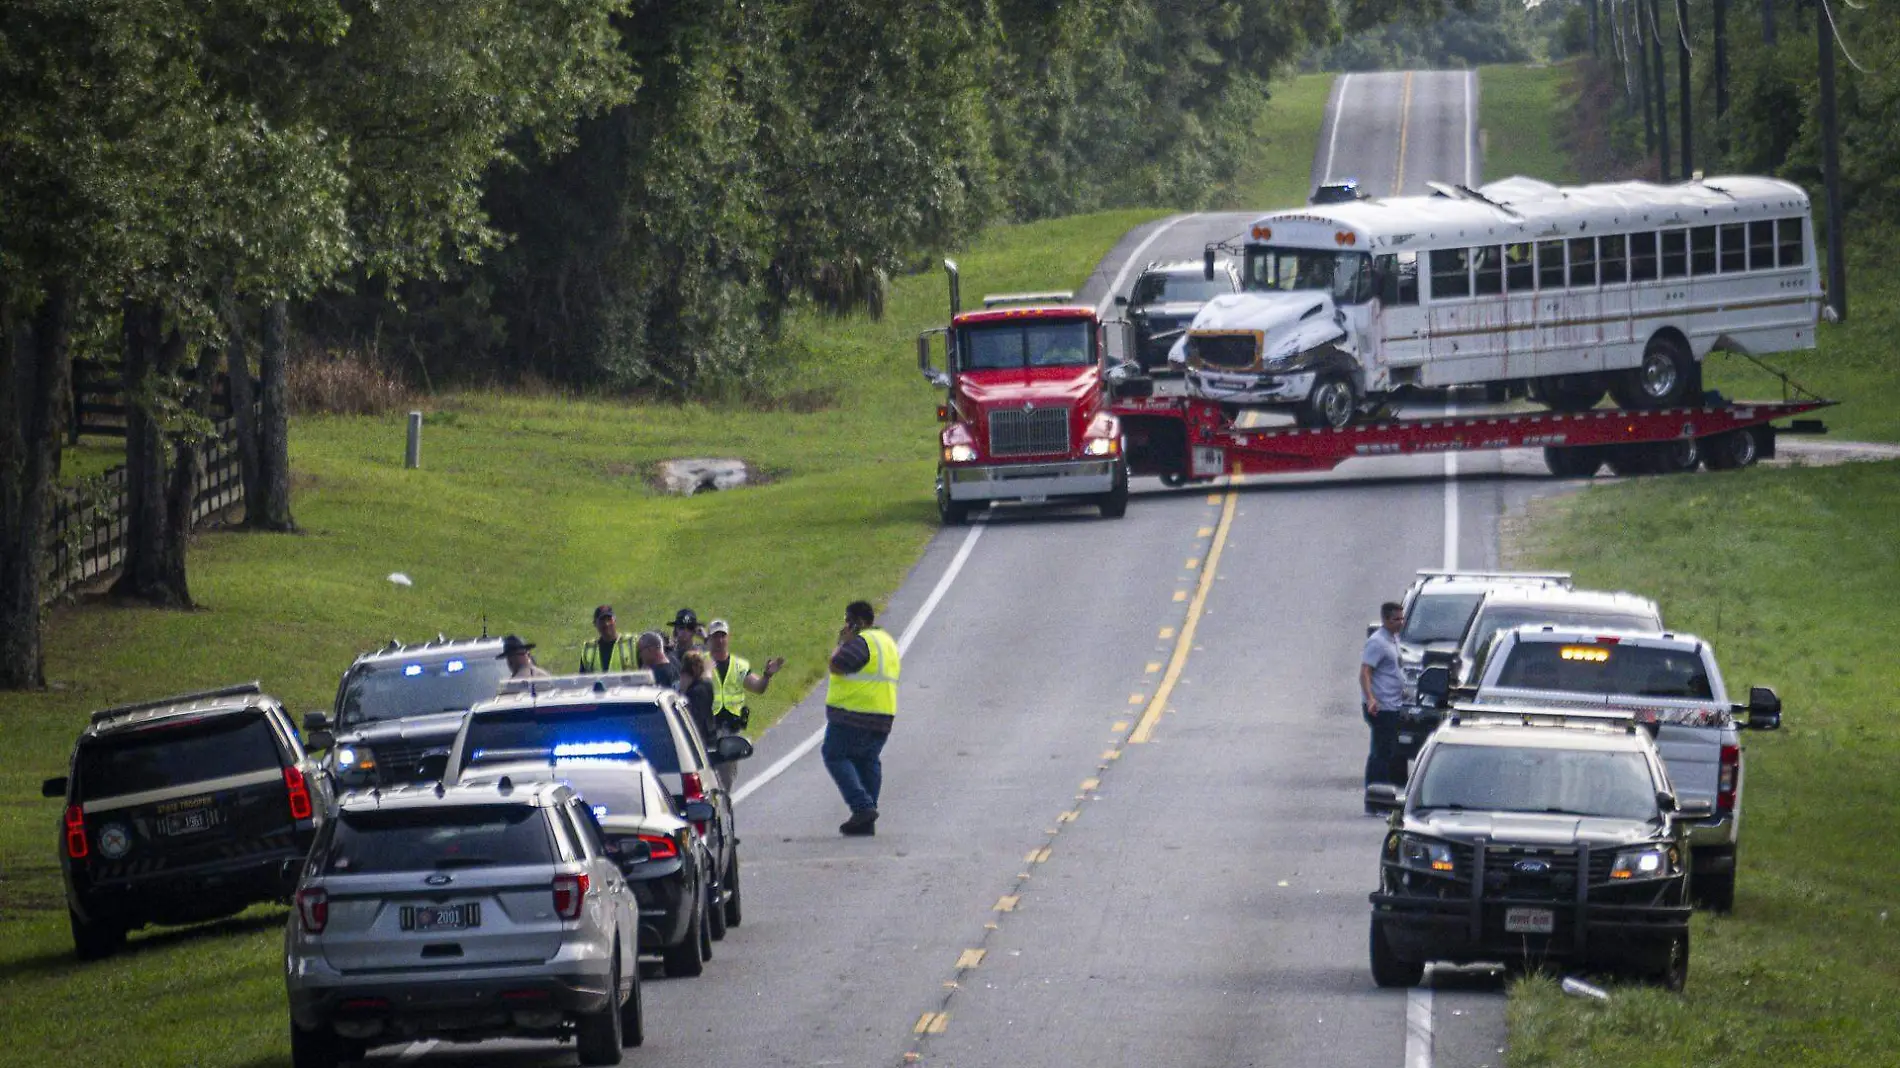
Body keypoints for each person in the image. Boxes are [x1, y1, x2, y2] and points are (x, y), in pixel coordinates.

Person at [823, 600, 899, 836]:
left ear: (857, 622)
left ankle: (862, 806)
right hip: (883, 713)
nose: (845, 624)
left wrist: (841, 643)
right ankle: (866, 819)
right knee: (868, 760)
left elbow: (837, 665)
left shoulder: (861, 642)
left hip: (853, 714)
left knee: (834, 754)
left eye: (848, 620)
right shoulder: (886, 641)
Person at [705, 619, 784, 788]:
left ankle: (723, 804)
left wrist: (767, 676)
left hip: (731, 729)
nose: (719, 640)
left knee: (726, 778)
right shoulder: (701, 663)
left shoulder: (739, 666)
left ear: (728, 638)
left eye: (722, 636)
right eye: (715, 636)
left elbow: (757, 687)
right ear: (709, 639)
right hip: (708, 727)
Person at [1361, 601, 1408, 806]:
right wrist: (1371, 698)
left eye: (1401, 618)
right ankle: (1375, 796)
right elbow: (1365, 672)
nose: (1400, 622)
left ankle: (1393, 794)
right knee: (1380, 753)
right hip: (1381, 707)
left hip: (1394, 704)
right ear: (1385, 620)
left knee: (1392, 752)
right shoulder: (1377, 642)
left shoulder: (1393, 639)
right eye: (1396, 619)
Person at [579, 604, 637, 673]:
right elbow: (582, 679)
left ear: (615, 620)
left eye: (609, 619)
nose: (606, 624)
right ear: (595, 624)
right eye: (602, 620)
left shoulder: (631, 643)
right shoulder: (589, 650)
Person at [679, 651, 716, 749]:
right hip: (709, 734)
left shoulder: (694, 692)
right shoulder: (706, 685)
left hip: (700, 738)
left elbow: (694, 718)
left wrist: (682, 692)